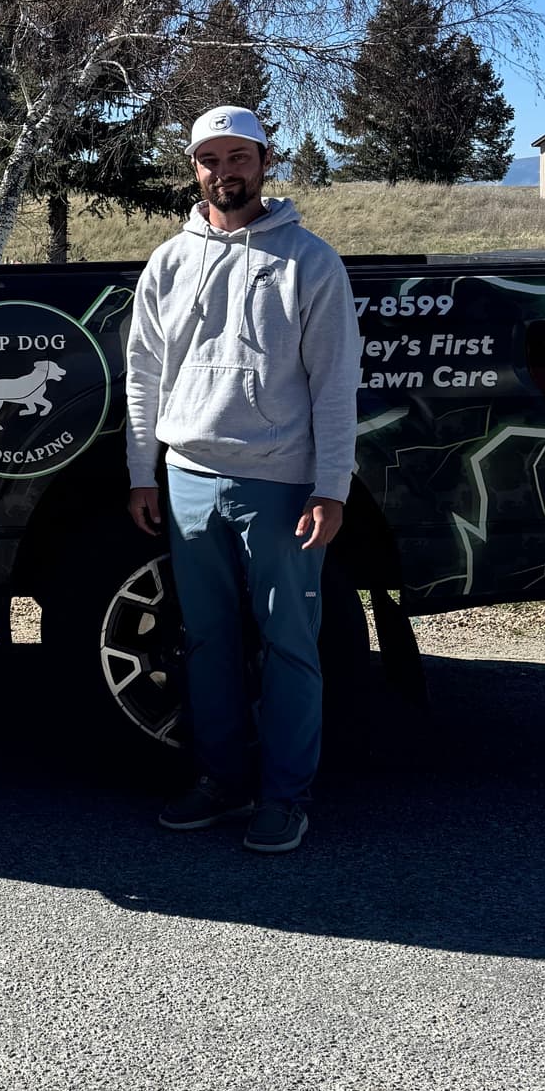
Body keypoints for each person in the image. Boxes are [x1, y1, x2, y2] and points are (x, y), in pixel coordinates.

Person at [124, 104, 361, 854]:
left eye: (239, 157)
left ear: (265, 161)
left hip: (281, 486)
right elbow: (144, 374)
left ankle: (286, 795)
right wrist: (143, 474)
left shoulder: (310, 260)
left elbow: (334, 384)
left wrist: (332, 488)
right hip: (190, 477)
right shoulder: (170, 260)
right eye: (209, 158)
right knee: (207, 642)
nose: (224, 171)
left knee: (289, 644)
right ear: (192, 167)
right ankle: (220, 781)